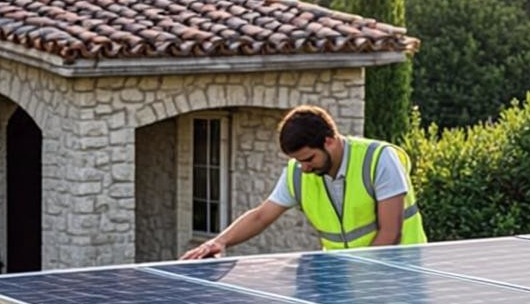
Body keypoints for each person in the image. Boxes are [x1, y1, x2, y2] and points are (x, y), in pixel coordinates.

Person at [182, 105, 426, 259]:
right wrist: (219, 241)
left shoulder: (379, 160)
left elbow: (391, 233)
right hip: (346, 285)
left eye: (309, 159)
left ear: (329, 141)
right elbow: (261, 215)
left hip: (400, 282)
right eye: (299, 161)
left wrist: (355, 278)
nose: (304, 168)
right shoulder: (298, 173)